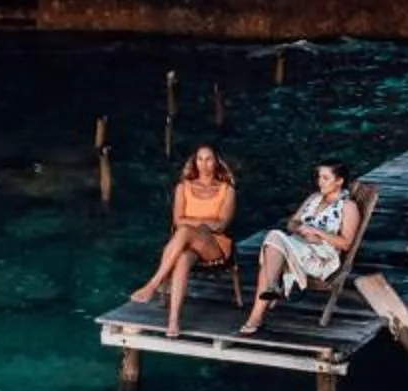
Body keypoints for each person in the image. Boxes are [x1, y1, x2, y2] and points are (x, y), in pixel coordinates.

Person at [241, 161, 362, 334]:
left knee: (273, 241)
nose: (320, 181)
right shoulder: (314, 198)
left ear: (339, 181)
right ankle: (271, 289)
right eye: (319, 177)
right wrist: (301, 230)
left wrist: (317, 232)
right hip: (298, 245)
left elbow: (346, 243)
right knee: (274, 240)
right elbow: (292, 222)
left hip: (321, 256)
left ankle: (258, 312)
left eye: (326, 178)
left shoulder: (348, 207)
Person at [131, 144, 238, 337]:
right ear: (194, 162)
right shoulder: (183, 187)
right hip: (187, 244)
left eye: (209, 159)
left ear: (217, 162)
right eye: (200, 159)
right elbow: (176, 220)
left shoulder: (226, 190)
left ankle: (153, 284)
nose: (204, 164)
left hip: (214, 246)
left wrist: (193, 224)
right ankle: (173, 322)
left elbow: (221, 225)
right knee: (182, 259)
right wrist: (204, 223)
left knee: (184, 231)